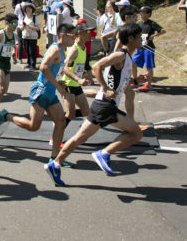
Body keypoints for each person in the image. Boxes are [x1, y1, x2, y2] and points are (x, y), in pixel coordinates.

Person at [45, 23, 146, 185]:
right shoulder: (120, 55)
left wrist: (135, 80)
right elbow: (97, 66)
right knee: (136, 133)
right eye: (140, 37)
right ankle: (104, 153)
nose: (142, 40)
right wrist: (105, 88)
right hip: (105, 104)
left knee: (80, 138)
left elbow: (120, 82)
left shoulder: (127, 57)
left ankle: (55, 163)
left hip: (104, 104)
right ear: (132, 38)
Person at [0, 23, 75, 164]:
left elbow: (52, 71)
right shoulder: (55, 49)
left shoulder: (62, 50)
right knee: (33, 126)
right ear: (63, 35)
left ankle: (55, 158)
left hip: (50, 93)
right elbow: (43, 67)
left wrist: (58, 83)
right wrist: (58, 87)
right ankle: (7, 117)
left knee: (60, 123)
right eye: (73, 35)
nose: (74, 38)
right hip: (41, 91)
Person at [131, 6, 165, 92]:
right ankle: (135, 80)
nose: (141, 14)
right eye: (140, 12)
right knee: (133, 62)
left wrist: (154, 35)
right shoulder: (139, 24)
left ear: (148, 14)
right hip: (140, 48)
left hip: (148, 48)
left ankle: (148, 84)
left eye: (143, 13)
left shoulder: (152, 23)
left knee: (149, 66)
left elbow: (163, 30)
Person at [20, 3, 40, 70]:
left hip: (32, 37)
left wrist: (30, 27)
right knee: (27, 51)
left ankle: (33, 65)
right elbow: (21, 28)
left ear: (32, 10)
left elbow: (38, 28)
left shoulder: (35, 18)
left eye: (30, 8)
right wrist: (23, 26)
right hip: (25, 36)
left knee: (32, 51)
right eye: (27, 9)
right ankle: (29, 64)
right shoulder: (23, 18)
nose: (28, 10)